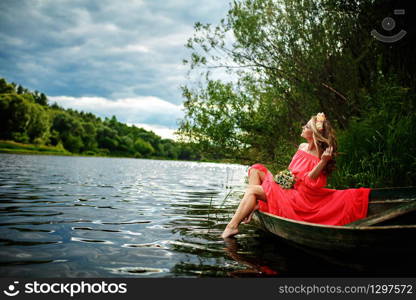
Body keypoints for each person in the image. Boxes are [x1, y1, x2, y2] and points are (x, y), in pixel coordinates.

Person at [221, 112, 371, 239]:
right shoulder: (302, 146)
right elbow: (291, 171)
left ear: (313, 133)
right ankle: (254, 204)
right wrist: (283, 179)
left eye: (306, 126)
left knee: (252, 190)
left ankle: (233, 226)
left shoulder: (321, 156)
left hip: (298, 197)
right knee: (255, 168)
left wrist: (323, 162)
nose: (302, 127)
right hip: (287, 188)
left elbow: (310, 182)